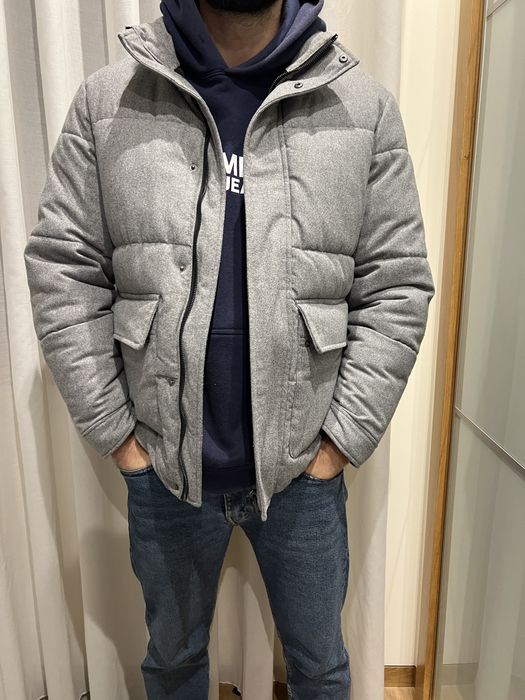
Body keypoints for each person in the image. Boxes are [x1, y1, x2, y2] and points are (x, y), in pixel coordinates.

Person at [23, 0, 435, 696]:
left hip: (304, 470)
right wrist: (119, 437)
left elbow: (396, 286)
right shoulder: (108, 102)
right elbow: (63, 268)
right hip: (164, 469)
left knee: (320, 669)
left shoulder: (361, 109)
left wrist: (337, 444)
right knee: (173, 663)